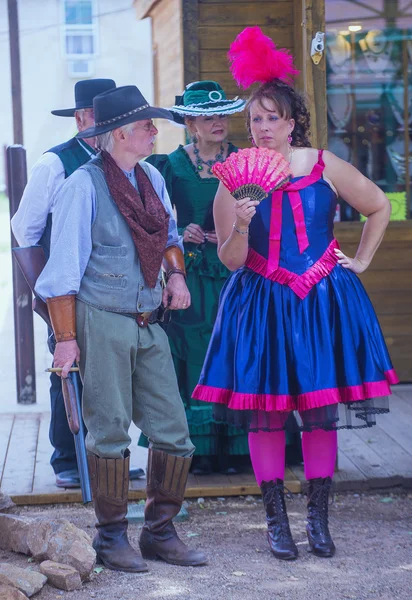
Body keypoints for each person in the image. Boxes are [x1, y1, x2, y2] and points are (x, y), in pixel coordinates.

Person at [193, 27, 399, 560]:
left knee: (320, 413)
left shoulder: (324, 166)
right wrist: (239, 222)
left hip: (323, 302)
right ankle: (276, 523)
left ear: (291, 123)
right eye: (253, 120)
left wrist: (362, 261)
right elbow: (230, 260)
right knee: (266, 414)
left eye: (269, 119)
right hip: (262, 303)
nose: (260, 129)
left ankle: (319, 521)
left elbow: (380, 205)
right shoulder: (231, 179)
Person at [35, 85, 207, 573]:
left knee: (174, 433)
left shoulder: (151, 175)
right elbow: (62, 272)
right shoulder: (81, 186)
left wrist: (175, 275)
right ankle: (111, 537)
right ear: (118, 133)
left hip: (150, 321)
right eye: (146, 124)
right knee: (108, 432)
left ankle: (160, 533)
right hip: (101, 320)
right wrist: (66, 339)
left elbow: (170, 235)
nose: (155, 130)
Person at [139, 80, 253, 475]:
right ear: (190, 122)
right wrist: (182, 226)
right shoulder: (168, 166)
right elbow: (154, 218)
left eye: (221, 114)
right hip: (190, 273)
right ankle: (199, 448)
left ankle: (240, 447)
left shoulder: (247, 161)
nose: (217, 122)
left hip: (238, 268)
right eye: (207, 117)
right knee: (196, 354)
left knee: (239, 349)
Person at [11, 78, 118, 489]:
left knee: (108, 372)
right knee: (67, 369)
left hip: (111, 288)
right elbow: (24, 229)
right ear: (81, 118)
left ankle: (104, 455)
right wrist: (48, 294)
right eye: (98, 114)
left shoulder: (120, 161)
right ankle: (66, 460)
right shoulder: (54, 164)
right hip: (66, 289)